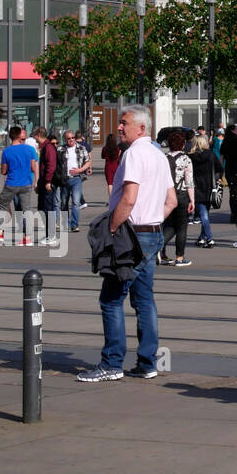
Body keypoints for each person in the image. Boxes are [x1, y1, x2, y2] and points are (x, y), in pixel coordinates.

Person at [76, 105, 176, 382]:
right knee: (144, 301)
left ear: (141, 128)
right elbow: (172, 201)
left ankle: (112, 363)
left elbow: (129, 198)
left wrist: (113, 227)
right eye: (120, 123)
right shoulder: (159, 155)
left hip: (131, 237)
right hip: (152, 233)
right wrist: (153, 222)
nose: (119, 127)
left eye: (124, 123)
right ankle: (147, 363)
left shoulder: (133, 155)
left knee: (111, 299)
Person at [0, 126, 39, 243]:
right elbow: (33, 167)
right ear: (20, 136)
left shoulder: (7, 151)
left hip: (12, 183)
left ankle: (0, 232)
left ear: (10, 136)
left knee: (1, 203)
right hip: (26, 183)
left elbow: (3, 171)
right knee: (27, 209)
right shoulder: (30, 150)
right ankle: (28, 237)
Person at [160, 131, 194, 267]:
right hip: (181, 194)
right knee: (181, 227)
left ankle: (158, 250)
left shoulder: (163, 158)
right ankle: (179, 257)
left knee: (168, 225)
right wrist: (192, 200)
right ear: (183, 144)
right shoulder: (186, 159)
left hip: (166, 195)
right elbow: (189, 181)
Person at [189, 132, 219, 248]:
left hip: (196, 188)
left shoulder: (191, 157)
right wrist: (217, 179)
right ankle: (202, 238)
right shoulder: (211, 155)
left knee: (203, 215)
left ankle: (210, 238)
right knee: (204, 213)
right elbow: (219, 168)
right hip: (209, 187)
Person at [34, 127, 61, 244]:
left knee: (48, 209)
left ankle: (51, 236)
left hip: (48, 183)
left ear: (39, 134)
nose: (34, 138)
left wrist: (48, 181)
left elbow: (51, 165)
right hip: (45, 182)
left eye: (34, 135)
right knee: (45, 209)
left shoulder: (48, 147)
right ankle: (49, 235)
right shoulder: (45, 147)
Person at [60, 130, 91, 233]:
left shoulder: (81, 148)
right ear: (65, 139)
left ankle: (74, 225)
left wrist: (80, 170)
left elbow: (88, 161)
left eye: (73, 137)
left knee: (75, 202)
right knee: (64, 203)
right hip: (64, 179)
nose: (71, 140)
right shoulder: (60, 149)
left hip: (77, 179)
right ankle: (65, 224)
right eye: (69, 138)